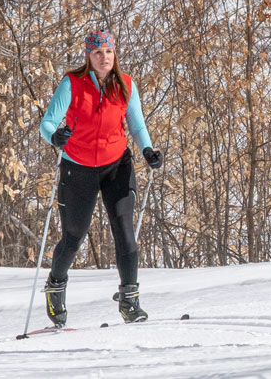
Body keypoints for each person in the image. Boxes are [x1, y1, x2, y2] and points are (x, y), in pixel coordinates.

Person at [36, 30, 165, 327]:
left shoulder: (126, 85)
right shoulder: (72, 83)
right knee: (73, 237)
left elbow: (137, 125)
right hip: (78, 167)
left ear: (114, 53)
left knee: (125, 232)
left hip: (116, 166)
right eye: (97, 53)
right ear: (88, 56)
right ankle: (55, 287)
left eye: (108, 52)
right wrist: (56, 136)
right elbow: (48, 123)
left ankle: (130, 301)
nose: (104, 58)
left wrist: (148, 150)